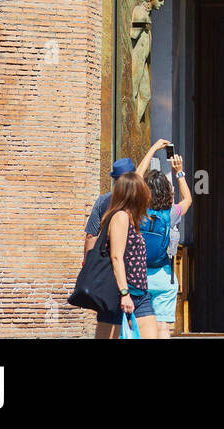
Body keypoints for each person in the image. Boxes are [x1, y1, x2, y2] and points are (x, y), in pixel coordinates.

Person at [99, 171, 158, 339]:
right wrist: (125, 294)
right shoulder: (120, 217)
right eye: (144, 190)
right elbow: (116, 257)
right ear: (135, 194)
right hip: (121, 294)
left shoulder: (132, 218)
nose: (148, 195)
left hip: (140, 293)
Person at [84, 139, 168, 258]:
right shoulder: (133, 200)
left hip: (103, 261)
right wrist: (153, 149)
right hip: (127, 261)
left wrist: (86, 265)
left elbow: (90, 237)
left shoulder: (102, 201)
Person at [142, 153, 193, 339]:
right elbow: (188, 200)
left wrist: (152, 151)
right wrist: (179, 173)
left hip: (139, 276)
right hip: (164, 276)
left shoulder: (138, 212)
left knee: (140, 326)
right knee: (162, 327)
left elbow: (136, 182)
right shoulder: (171, 213)